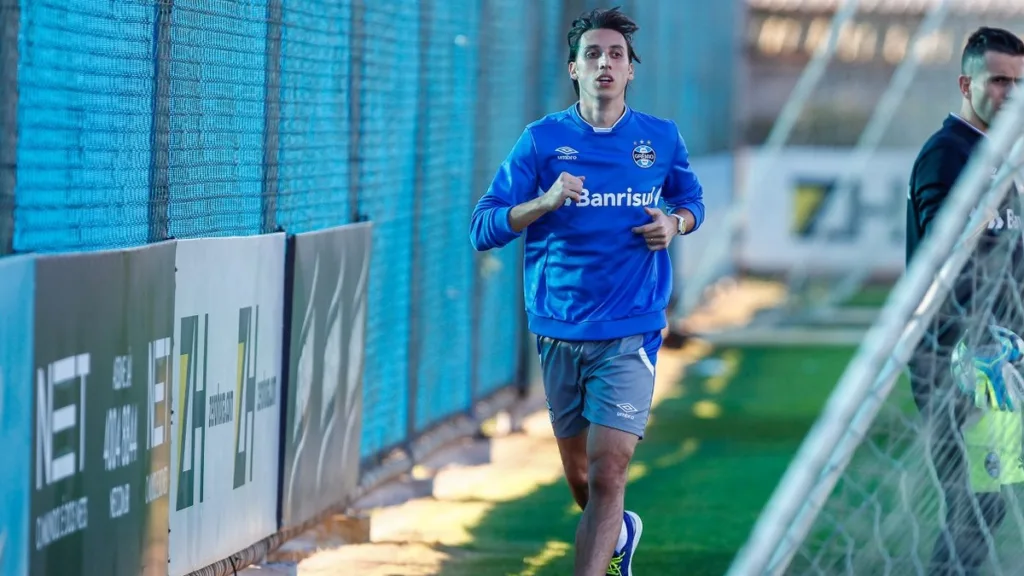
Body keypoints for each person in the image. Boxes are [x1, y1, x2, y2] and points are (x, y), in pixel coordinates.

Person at [469, 6, 704, 575]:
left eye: (615, 55)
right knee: (581, 477)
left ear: (630, 72)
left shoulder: (660, 139)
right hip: (559, 329)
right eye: (592, 54)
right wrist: (545, 202)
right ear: (574, 69)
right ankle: (621, 529)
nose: (605, 63)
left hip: (632, 327)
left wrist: (675, 224)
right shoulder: (542, 141)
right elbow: (484, 227)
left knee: (609, 471)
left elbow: (692, 202)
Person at [906, 26, 1024, 576]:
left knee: (990, 503)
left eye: (1019, 83)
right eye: (998, 81)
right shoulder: (947, 155)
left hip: (999, 360)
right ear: (965, 82)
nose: (1010, 94)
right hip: (957, 359)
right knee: (974, 506)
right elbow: (944, 259)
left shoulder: (999, 159)